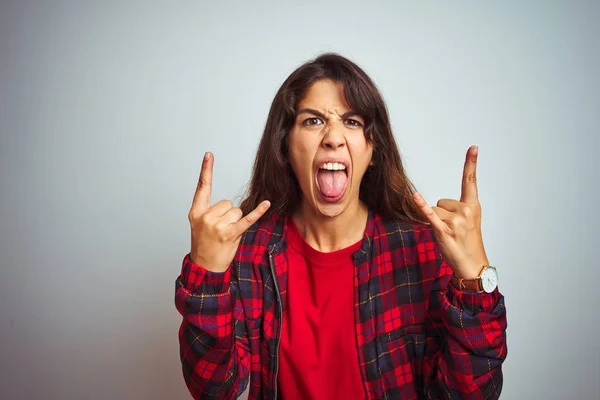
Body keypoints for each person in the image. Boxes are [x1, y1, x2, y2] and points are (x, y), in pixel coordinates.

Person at [175, 53, 507, 400]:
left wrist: (475, 281)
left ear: (373, 148)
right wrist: (206, 275)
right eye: (313, 121)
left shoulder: (422, 246)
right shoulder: (248, 249)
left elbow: (470, 394)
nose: (333, 137)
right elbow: (214, 389)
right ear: (285, 147)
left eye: (351, 122)